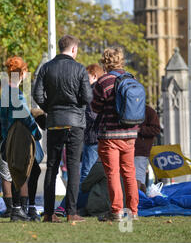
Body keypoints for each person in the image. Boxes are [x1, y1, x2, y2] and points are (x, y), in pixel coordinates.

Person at [33, 35, 93, 223]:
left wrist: (50, 108)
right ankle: (71, 212)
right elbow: (87, 97)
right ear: (74, 49)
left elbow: (37, 95)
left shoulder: (46, 67)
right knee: (74, 166)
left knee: (52, 166)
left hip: (55, 122)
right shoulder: (79, 69)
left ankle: (49, 213)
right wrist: (77, 106)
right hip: (75, 123)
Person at [91, 47, 140, 222]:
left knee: (113, 173)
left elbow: (95, 108)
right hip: (130, 134)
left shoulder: (104, 81)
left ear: (105, 62)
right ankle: (133, 212)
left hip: (110, 135)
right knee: (129, 173)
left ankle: (117, 211)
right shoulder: (131, 78)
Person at [55, 63, 105, 216]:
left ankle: (66, 206)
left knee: (86, 176)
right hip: (95, 139)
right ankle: (71, 206)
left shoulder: (92, 91)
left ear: (94, 76)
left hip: (93, 139)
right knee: (90, 176)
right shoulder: (96, 91)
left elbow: (91, 115)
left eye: (86, 76)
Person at [0, 56, 43, 222]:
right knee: (27, 172)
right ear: (22, 72)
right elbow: (26, 117)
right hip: (21, 138)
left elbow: (4, 120)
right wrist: (37, 133)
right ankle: (23, 208)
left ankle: (23, 208)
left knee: (23, 172)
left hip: (10, 137)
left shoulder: (5, 93)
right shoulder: (15, 94)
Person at [134, 105, 161, 193]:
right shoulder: (123, 108)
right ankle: (139, 200)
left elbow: (156, 129)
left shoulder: (148, 111)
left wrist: (140, 130)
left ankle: (138, 201)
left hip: (140, 151)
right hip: (127, 149)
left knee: (137, 179)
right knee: (137, 179)